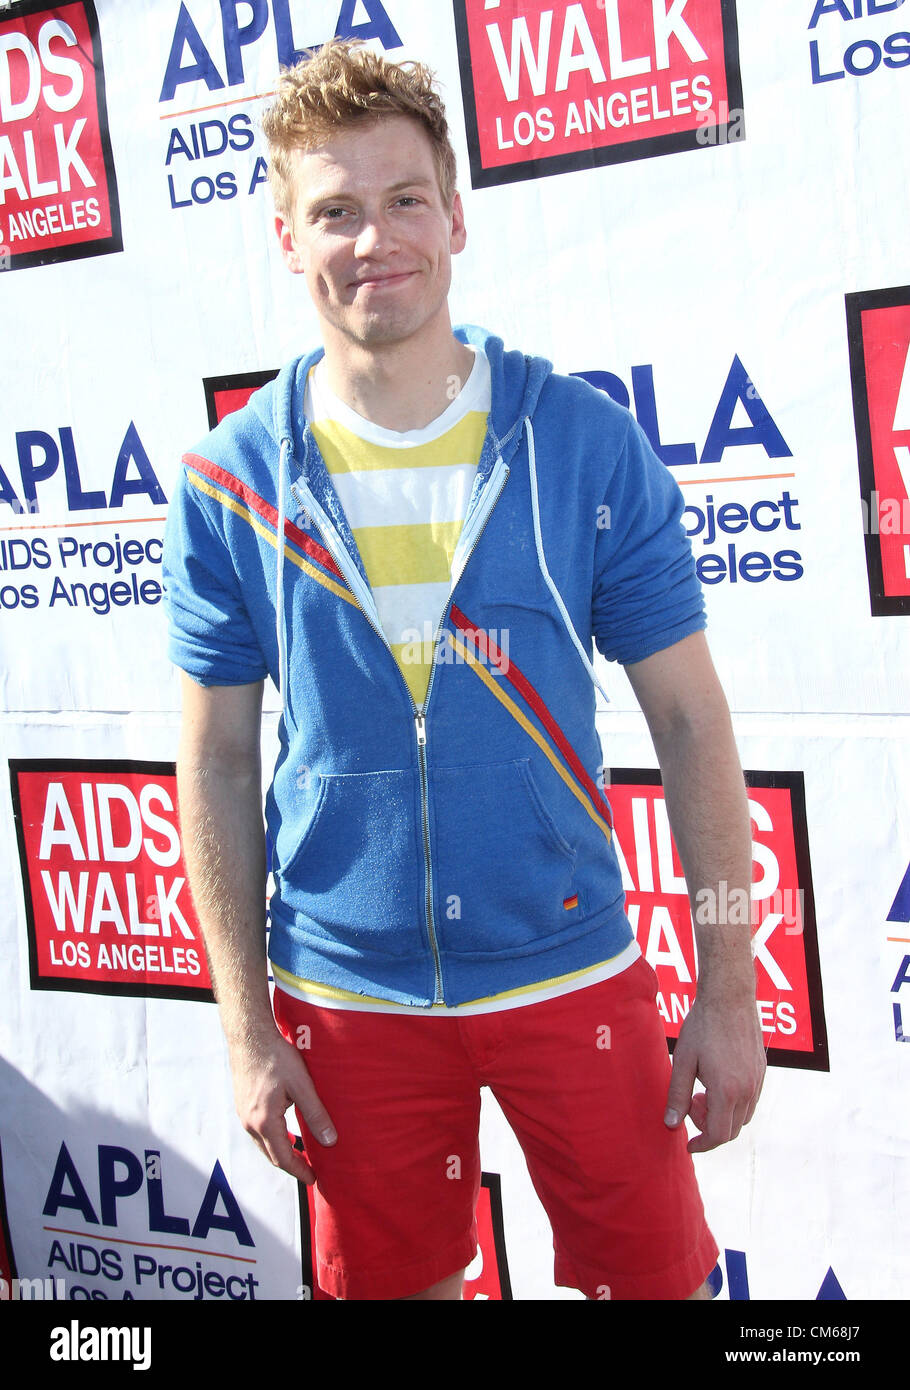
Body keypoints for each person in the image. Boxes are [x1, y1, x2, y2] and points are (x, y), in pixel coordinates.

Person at [163, 37, 765, 1302]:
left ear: (454, 216)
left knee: (649, 1287)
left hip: (572, 976)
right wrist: (245, 1028)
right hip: (345, 991)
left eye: (401, 200)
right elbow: (215, 760)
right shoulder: (228, 481)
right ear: (286, 237)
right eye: (333, 210)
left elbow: (695, 728)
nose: (373, 239)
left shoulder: (583, 444)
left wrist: (727, 988)